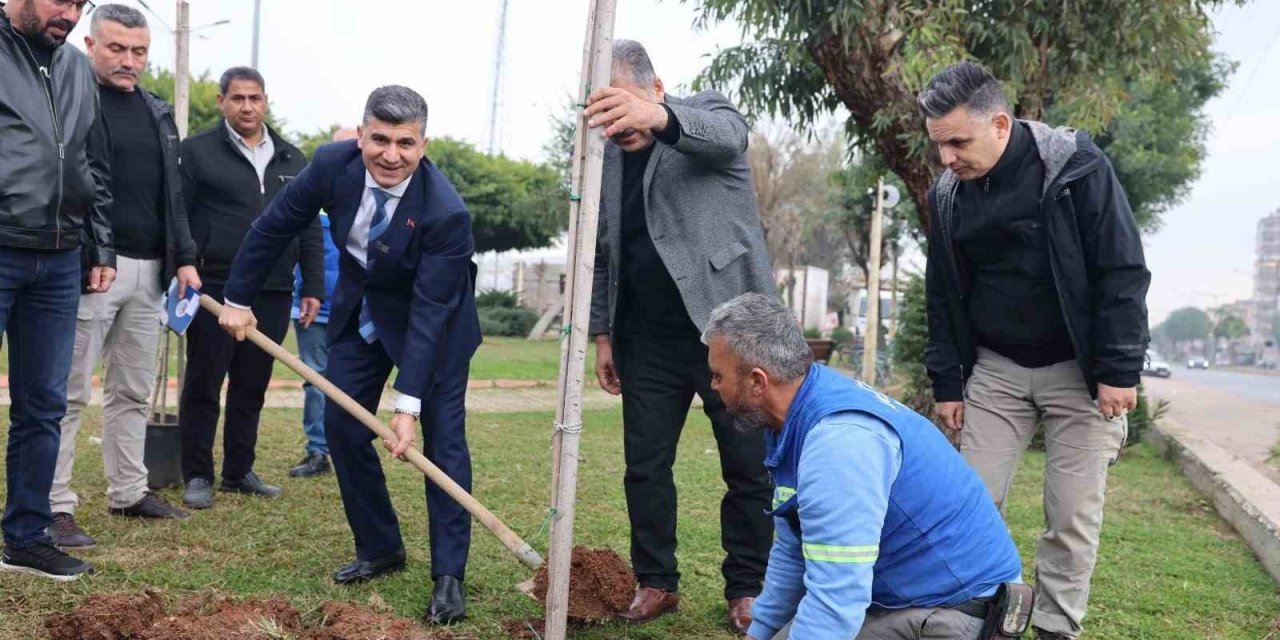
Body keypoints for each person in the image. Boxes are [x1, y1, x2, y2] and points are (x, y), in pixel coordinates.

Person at [218, 86, 481, 625]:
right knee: (342, 427)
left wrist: (406, 406)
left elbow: (431, 311)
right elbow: (273, 227)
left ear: (423, 145)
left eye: (405, 143)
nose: (390, 155)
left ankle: (449, 575)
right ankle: (381, 546)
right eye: (379, 139)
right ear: (360, 135)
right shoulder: (331, 164)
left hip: (434, 324)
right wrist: (237, 299)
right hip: (363, 312)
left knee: (444, 443)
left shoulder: (445, 212)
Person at [919, 62, 1150, 640]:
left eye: (957, 143)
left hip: (1080, 371)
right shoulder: (949, 195)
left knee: (1071, 517)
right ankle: (970, 617)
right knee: (966, 504)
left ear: (999, 123)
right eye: (938, 144)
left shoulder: (1076, 168)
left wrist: (1120, 368)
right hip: (996, 370)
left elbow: (1121, 270)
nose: (946, 159)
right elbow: (942, 295)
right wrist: (948, 383)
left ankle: (1053, 628)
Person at [585, 39, 776, 634]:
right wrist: (603, 335)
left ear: (656, 87)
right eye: (603, 110)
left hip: (729, 335)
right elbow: (603, 252)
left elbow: (731, 136)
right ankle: (656, 582)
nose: (616, 123)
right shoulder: (604, 158)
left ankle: (747, 590)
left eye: (625, 105)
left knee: (748, 467)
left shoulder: (704, 115)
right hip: (645, 339)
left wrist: (658, 119)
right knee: (644, 467)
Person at [702, 293, 1024, 640]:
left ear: (757, 381)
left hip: (957, 612)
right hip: (914, 597)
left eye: (718, 375)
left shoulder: (838, 443)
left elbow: (836, 600)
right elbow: (793, 548)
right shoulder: (798, 411)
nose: (712, 385)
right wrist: (760, 632)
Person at [47, 4, 197, 552]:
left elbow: (172, 195)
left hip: (151, 271)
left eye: (138, 51)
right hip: (91, 268)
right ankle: (54, 504)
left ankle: (129, 490)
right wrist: (91, 253)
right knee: (66, 393)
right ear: (90, 46)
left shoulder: (159, 111)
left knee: (133, 390)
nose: (128, 60)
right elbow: (74, 187)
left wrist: (184, 257)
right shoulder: (69, 101)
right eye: (116, 48)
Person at [0, 0, 115, 581]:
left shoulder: (74, 67)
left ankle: (24, 536)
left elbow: (91, 164)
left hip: (61, 256)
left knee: (44, 405)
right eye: (58, 0)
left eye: (79, 3)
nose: (68, 13)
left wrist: (99, 246)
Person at [177, 66, 325, 510]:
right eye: (237, 98)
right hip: (213, 286)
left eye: (255, 98)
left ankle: (238, 471)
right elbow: (179, 215)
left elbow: (309, 228)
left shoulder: (293, 159)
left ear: (266, 101)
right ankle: (197, 474)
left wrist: (312, 284)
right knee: (205, 381)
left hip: (274, 289)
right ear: (222, 100)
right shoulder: (197, 152)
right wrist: (184, 261)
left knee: (252, 385)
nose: (247, 106)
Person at [288, 128, 354, 479]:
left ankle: (350, 450)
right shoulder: (307, 202)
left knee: (353, 384)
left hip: (357, 315)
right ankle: (318, 451)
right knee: (316, 383)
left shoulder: (370, 204)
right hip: (314, 312)